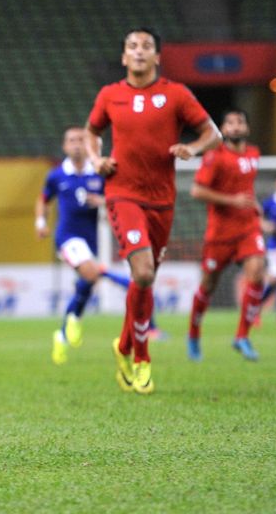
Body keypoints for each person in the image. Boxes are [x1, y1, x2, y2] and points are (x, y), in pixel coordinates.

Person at [84, 27, 221, 394]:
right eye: (132, 46)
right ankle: (142, 360)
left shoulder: (176, 94)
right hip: (122, 193)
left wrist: (193, 148)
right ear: (124, 57)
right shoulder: (110, 95)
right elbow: (91, 132)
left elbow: (213, 134)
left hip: (162, 200)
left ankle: (123, 346)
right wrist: (96, 159)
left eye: (146, 46)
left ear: (158, 57)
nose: (139, 51)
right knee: (143, 272)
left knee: (144, 280)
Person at [37, 126, 138, 365]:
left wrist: (101, 201)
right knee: (92, 272)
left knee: (86, 285)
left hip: (91, 240)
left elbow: (116, 199)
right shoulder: (57, 175)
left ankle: (63, 333)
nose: (76, 145)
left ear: (89, 145)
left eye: (81, 140)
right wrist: (40, 222)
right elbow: (43, 199)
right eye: (72, 141)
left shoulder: (98, 173)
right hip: (67, 237)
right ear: (65, 146)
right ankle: (126, 282)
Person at [187, 109, 264, 362]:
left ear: (247, 128)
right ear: (222, 129)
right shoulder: (215, 156)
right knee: (208, 285)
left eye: (240, 122)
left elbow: (244, 186)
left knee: (257, 271)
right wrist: (233, 200)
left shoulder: (253, 154)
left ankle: (242, 336)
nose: (235, 126)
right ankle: (193, 334)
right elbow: (197, 191)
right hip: (220, 233)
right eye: (229, 123)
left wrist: (253, 204)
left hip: (248, 228)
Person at [259, 176, 276, 313]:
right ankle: (256, 305)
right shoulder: (270, 202)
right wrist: (267, 226)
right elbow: (256, 217)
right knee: (275, 278)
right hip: (275, 246)